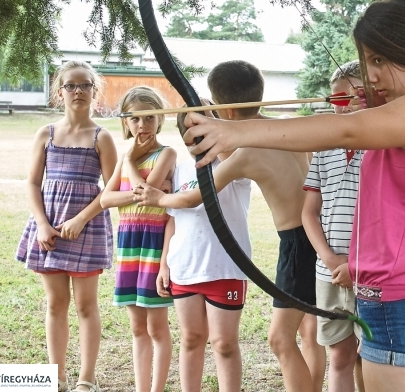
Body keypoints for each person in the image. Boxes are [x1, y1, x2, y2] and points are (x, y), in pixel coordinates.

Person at [181, 0, 405, 392]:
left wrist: (233, 130)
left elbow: (345, 129)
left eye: (379, 60)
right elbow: (356, 125)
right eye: (368, 62)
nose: (372, 76)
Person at [133, 61, 325, 392]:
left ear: (229, 113)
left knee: (281, 340)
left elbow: (194, 198)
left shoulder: (247, 152)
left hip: (298, 241)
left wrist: (156, 197)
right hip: (315, 234)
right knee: (302, 333)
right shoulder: (288, 127)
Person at [16, 61, 117, 392]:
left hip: (86, 229)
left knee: (87, 306)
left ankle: (86, 378)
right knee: (56, 304)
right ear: (59, 92)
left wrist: (80, 219)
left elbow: (112, 190)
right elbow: (32, 184)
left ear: (94, 91)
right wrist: (43, 225)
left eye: (85, 85)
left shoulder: (102, 137)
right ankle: (55, 377)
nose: (78, 91)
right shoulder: (46, 134)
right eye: (70, 86)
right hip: (50, 232)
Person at [151, 102, 251, 392]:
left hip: (225, 268)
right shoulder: (181, 170)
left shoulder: (233, 164)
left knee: (224, 343)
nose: (198, 132)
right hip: (185, 267)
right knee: (192, 338)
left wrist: (214, 126)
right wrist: (164, 264)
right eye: (190, 126)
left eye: (206, 123)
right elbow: (174, 220)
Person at [100, 87, 176, 392]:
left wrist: (130, 160)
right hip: (129, 245)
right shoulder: (124, 157)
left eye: (148, 118)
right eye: (134, 119)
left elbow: (147, 194)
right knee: (137, 327)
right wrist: (133, 186)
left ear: (159, 119)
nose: (141, 125)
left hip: (154, 243)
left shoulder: (165, 153)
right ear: (125, 122)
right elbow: (106, 199)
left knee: (157, 327)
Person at [300, 60, 366, 392]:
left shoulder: (386, 146)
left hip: (370, 271)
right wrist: (328, 258)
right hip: (328, 272)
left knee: (371, 358)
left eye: (350, 97)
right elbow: (309, 212)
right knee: (339, 357)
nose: (341, 106)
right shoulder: (324, 150)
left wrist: (358, 264)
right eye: (335, 99)